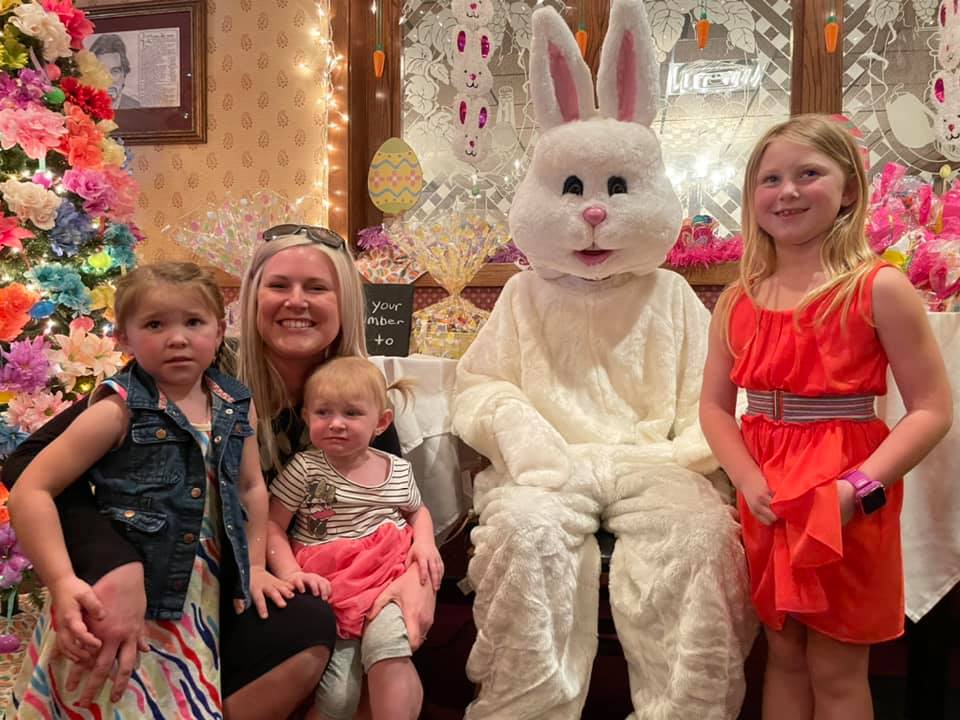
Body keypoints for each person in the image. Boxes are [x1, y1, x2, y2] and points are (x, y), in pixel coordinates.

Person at [1, 225, 436, 718]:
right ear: (250, 298)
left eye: (317, 287)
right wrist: (113, 562)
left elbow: (394, 502)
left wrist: (416, 580)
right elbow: (26, 466)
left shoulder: (356, 389)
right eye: (279, 285)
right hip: (167, 574)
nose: (296, 301)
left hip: (261, 587)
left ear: (346, 303)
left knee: (328, 629)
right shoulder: (188, 368)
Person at [699, 114, 953, 720]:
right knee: (783, 655)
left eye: (808, 174)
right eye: (770, 179)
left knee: (838, 668)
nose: (787, 191)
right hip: (768, 495)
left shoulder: (879, 288)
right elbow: (713, 407)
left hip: (846, 494)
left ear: (847, 190)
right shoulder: (736, 298)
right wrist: (747, 479)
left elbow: (932, 409)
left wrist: (856, 488)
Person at [8, 262, 294, 716]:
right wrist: (62, 581)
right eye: (155, 325)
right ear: (124, 338)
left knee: (176, 701)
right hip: (127, 593)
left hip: (198, 595)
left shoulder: (235, 404)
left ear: (220, 331)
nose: (177, 338)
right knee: (108, 696)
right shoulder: (117, 411)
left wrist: (255, 566)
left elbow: (250, 487)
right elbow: (31, 490)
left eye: (193, 322)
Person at [267, 356, 440, 720]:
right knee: (338, 699)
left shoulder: (397, 470)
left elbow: (417, 511)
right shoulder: (305, 469)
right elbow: (272, 525)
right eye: (323, 413)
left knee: (389, 650)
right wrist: (290, 573)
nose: (336, 423)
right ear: (306, 417)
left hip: (387, 579)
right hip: (333, 589)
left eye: (352, 413)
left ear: (381, 422)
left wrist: (425, 543)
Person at [89, 34, 142, 109]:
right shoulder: (81, 107)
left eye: (115, 71)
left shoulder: (136, 107)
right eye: (102, 72)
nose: (109, 81)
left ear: (124, 75)